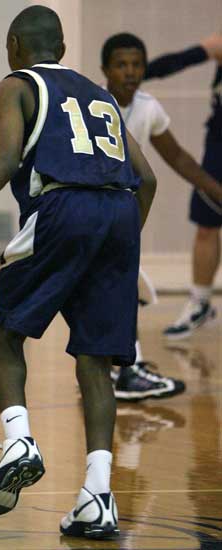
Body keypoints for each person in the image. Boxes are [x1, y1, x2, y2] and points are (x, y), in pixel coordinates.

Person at [0, 5, 156, 540]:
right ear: (62, 49)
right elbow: (148, 178)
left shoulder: (15, 85)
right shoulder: (102, 93)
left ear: (15, 44)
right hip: (119, 214)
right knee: (95, 362)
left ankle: (19, 440)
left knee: (4, 333)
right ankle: (99, 496)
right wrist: (123, 247)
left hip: (62, 207)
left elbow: (3, 159)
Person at [101, 33, 222, 400]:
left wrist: (216, 191)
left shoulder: (148, 108)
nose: (131, 72)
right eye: (121, 64)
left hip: (121, 212)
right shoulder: (91, 103)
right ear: (105, 69)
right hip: (87, 208)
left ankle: (115, 370)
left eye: (137, 64)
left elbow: (181, 158)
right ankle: (125, 369)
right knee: (121, 289)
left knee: (120, 290)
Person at [141, 35, 222, 338]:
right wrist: (137, 73)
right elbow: (176, 62)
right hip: (219, 146)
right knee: (206, 224)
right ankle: (200, 302)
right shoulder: (219, 44)